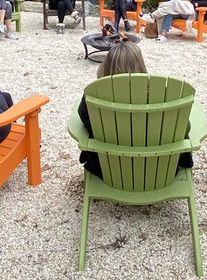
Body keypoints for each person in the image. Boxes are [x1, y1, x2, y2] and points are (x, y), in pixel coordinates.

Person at [75, 40, 193, 177]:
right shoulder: (164, 97)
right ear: (140, 64)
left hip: (109, 170)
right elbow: (183, 127)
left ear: (106, 66)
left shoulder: (93, 97)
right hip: (160, 170)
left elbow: (84, 120)